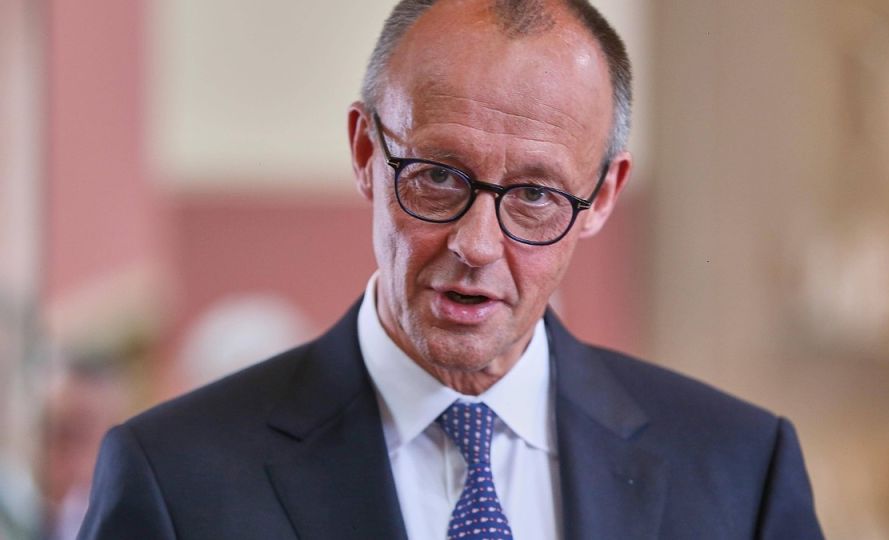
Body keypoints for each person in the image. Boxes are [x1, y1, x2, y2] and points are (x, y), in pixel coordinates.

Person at [79, 1, 824, 538]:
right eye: (437, 177)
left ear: (602, 197)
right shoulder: (175, 478)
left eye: (534, 195)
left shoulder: (739, 471)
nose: (477, 244)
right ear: (366, 153)